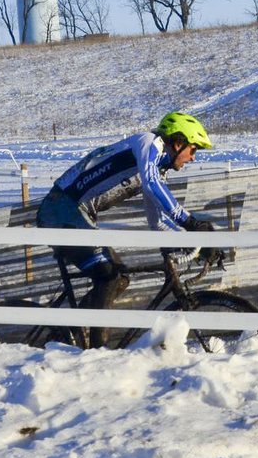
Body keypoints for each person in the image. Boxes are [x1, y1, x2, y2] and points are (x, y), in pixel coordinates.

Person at [36, 111, 216, 347]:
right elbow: (151, 186)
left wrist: (197, 245)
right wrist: (189, 222)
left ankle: (73, 331)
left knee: (119, 278)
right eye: (193, 150)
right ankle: (96, 352)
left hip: (74, 213)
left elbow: (158, 222)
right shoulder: (148, 143)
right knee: (110, 276)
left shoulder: (155, 169)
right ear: (178, 142)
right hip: (61, 209)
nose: (193, 158)